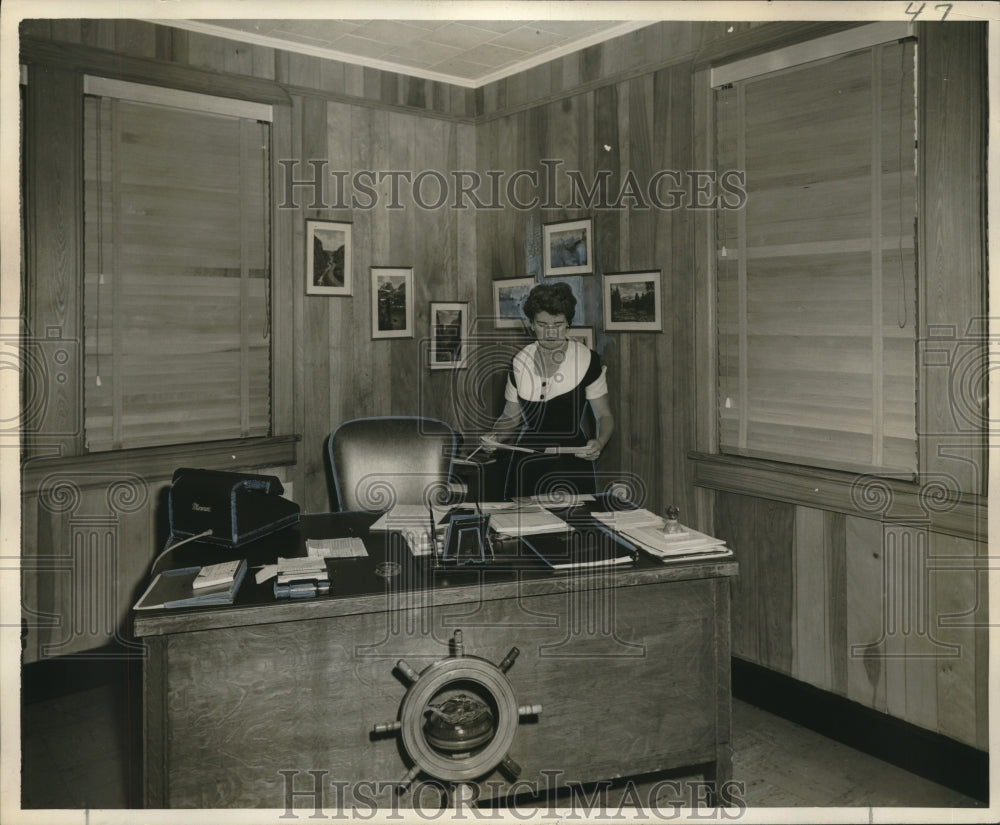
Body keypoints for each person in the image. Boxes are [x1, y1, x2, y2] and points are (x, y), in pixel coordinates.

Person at [481, 282, 615, 499]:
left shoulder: (587, 361)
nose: (551, 332)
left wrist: (599, 442)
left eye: (558, 324)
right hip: (526, 464)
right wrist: (494, 437)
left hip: (572, 462)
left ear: (568, 324)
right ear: (532, 324)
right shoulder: (519, 362)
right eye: (542, 324)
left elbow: (604, 415)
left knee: (573, 527)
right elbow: (509, 417)